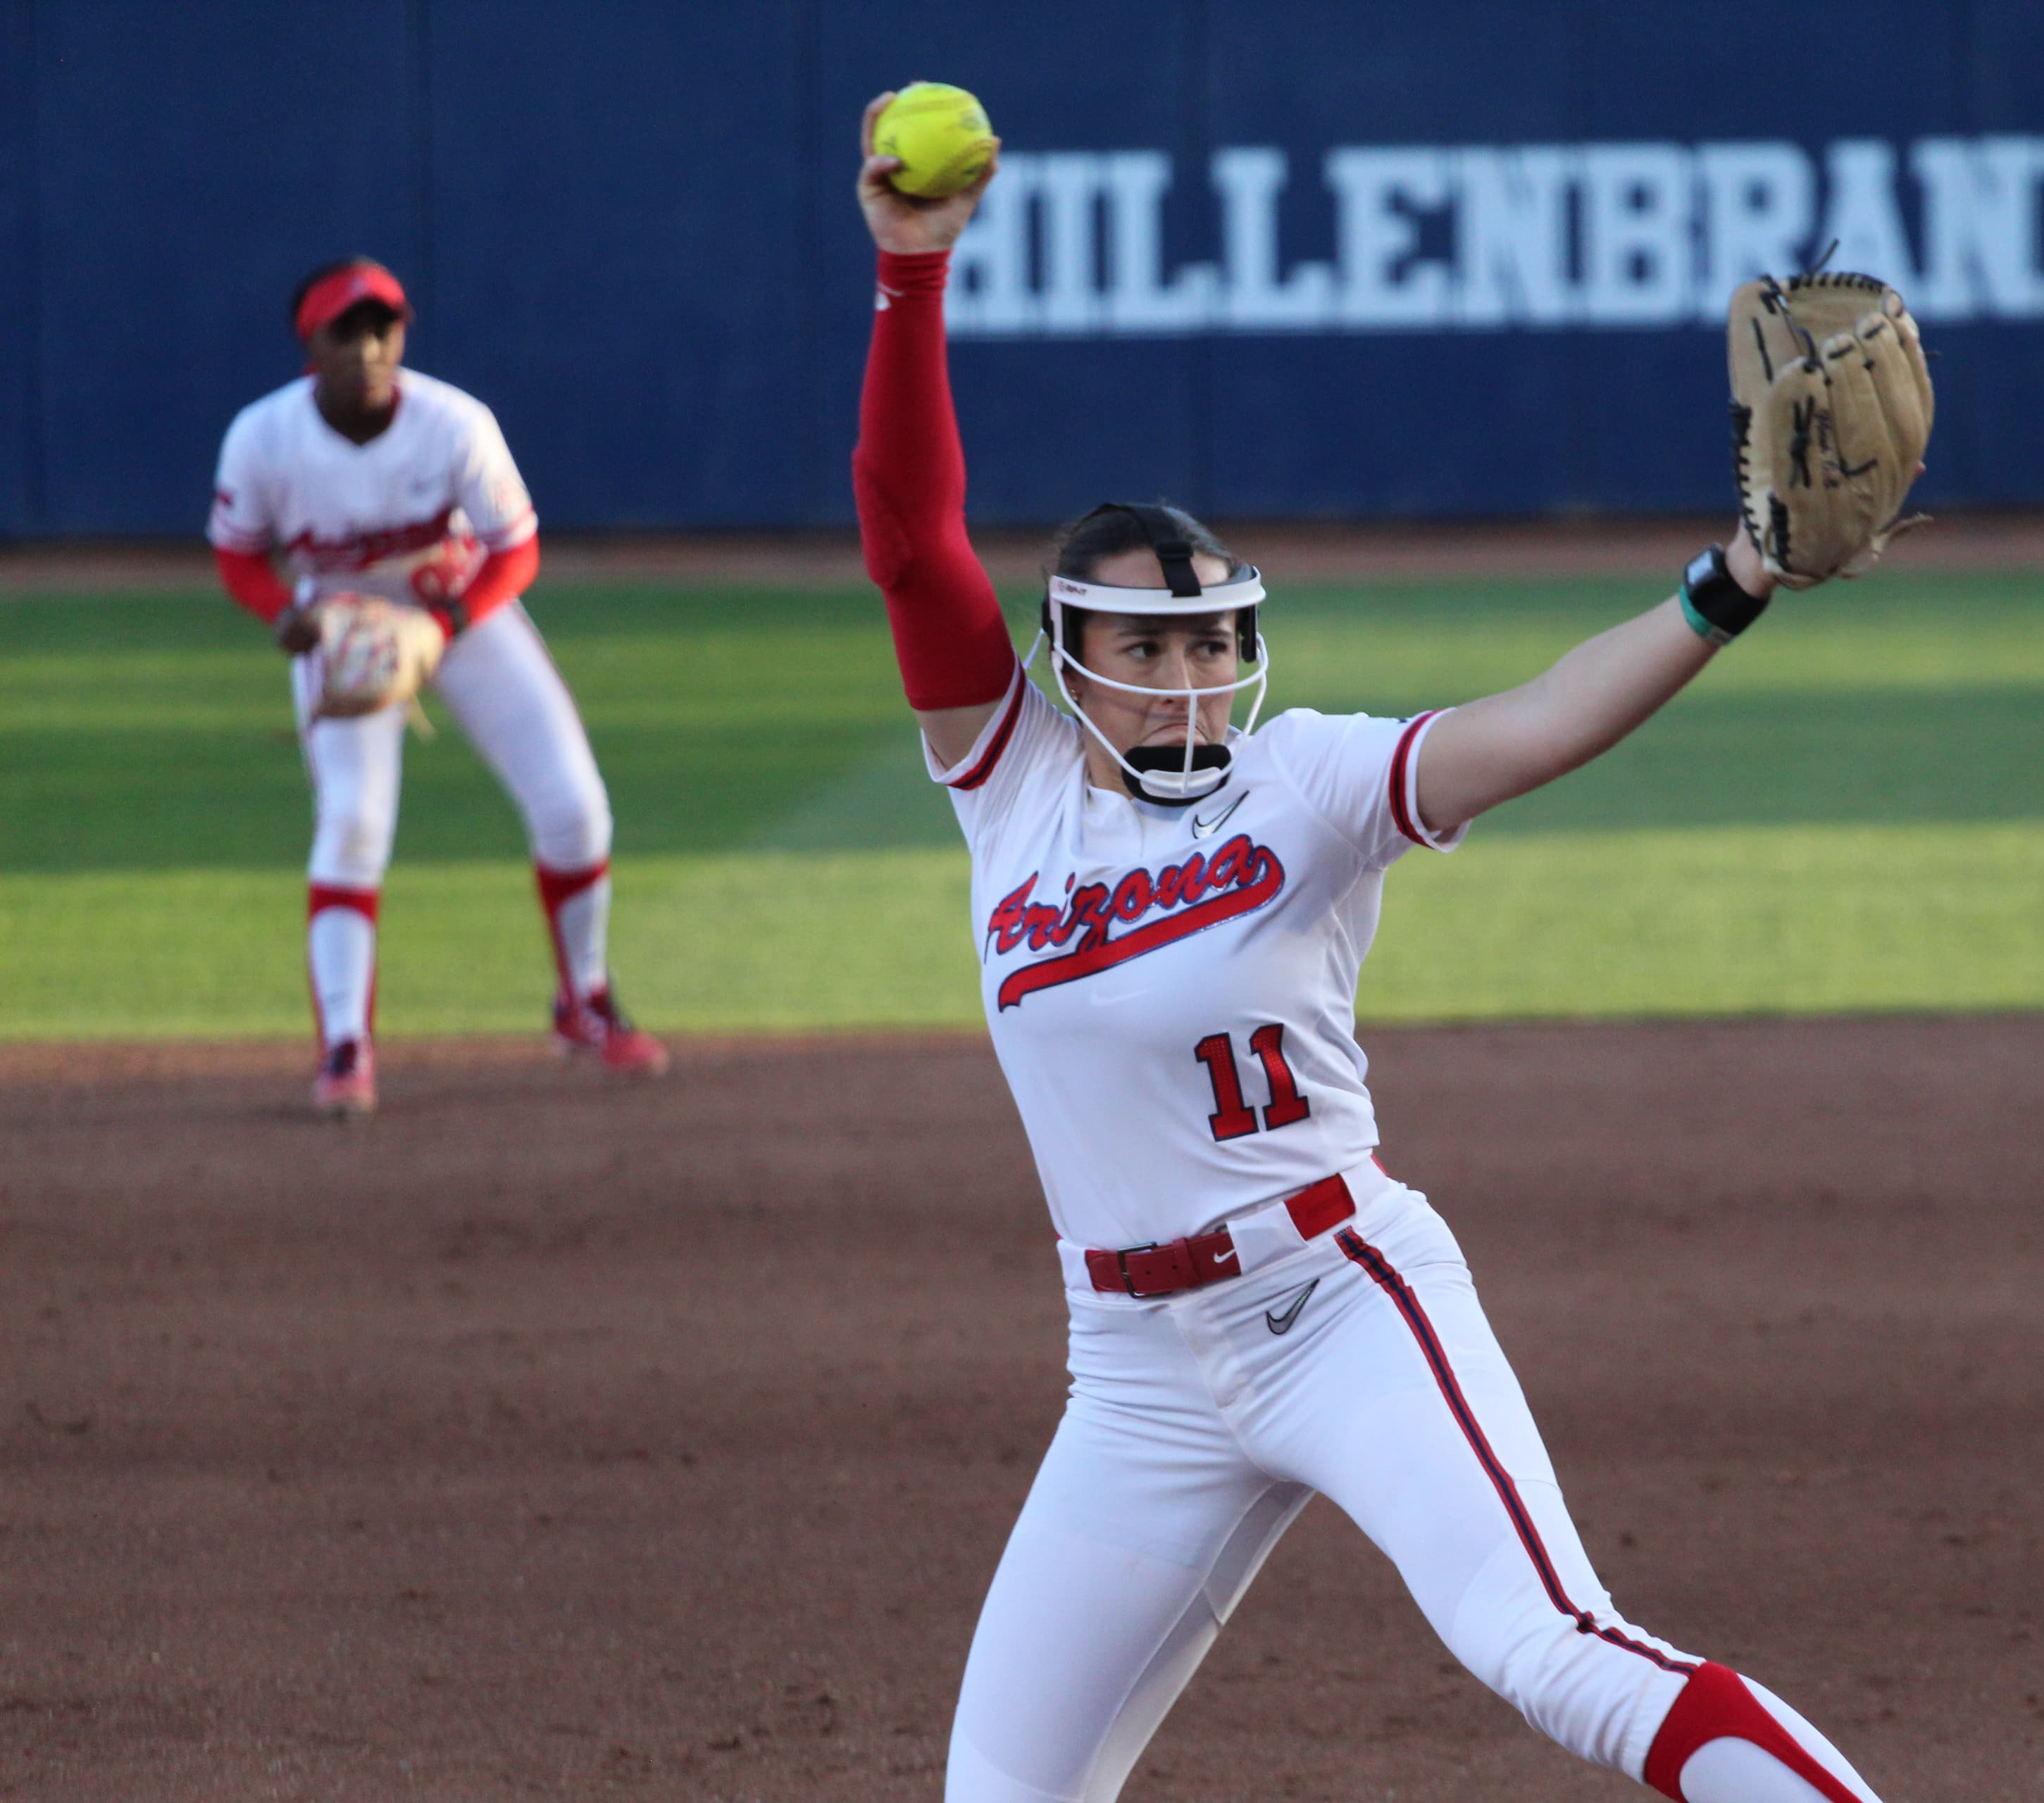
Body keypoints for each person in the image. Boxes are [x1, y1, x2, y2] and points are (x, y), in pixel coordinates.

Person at [849, 91, 1890, 1803]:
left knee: (1550, 1642)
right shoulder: (1009, 782)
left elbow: (1537, 722)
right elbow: (906, 534)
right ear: (1068, 653)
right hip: (1125, 1370)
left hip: (1338, 1295)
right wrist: (910, 273)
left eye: (1211, 643)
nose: (1190, 677)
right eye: (1147, 645)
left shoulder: (1302, 776)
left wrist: (1727, 583)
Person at [208, 258, 666, 1116]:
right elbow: (238, 553)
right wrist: (282, 614)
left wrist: (446, 625)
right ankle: (346, 1044)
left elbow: (517, 549)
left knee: (575, 807)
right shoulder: (264, 437)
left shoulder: (455, 422)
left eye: (384, 326)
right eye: (348, 330)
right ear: (311, 343)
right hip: (342, 633)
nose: (370, 346)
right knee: (352, 821)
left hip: (457, 613)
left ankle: (585, 1001)